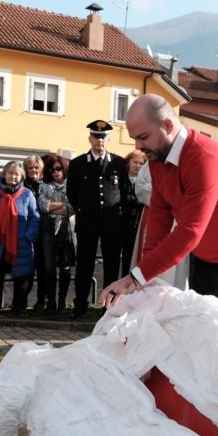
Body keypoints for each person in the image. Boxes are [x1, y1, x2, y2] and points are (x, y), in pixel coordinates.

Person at [100, 94, 218, 310]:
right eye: (134, 138)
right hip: (203, 256)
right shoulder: (158, 159)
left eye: (143, 137)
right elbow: (158, 221)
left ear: (168, 125)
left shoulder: (203, 158)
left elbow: (190, 230)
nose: (138, 146)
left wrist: (134, 278)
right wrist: (145, 277)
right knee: (197, 324)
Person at [66, 119, 129, 318]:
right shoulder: (77, 164)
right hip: (87, 223)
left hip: (112, 224)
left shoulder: (119, 163)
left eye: (103, 137)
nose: (99, 141)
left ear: (108, 139)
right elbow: (72, 193)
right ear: (90, 139)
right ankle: (80, 306)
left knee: (111, 267)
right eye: (96, 137)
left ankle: (107, 307)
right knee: (84, 266)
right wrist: (85, 210)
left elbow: (125, 192)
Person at [0, 161, 39, 314]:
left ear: (21, 177)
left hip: (20, 243)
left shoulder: (27, 194)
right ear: (4, 174)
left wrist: (28, 236)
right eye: (10, 173)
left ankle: (18, 308)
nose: (13, 176)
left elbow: (35, 217)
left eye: (17, 174)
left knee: (21, 277)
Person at [37, 154, 74, 313]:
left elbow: (72, 206)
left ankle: (62, 301)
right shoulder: (44, 185)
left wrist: (55, 206)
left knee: (65, 266)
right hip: (48, 227)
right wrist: (62, 206)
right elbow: (43, 206)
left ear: (64, 168)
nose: (55, 172)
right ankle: (50, 301)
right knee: (49, 266)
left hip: (66, 227)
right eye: (51, 170)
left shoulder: (71, 185)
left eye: (58, 169)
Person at [22, 155, 47, 310]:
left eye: (36, 168)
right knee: (27, 269)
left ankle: (41, 300)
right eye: (30, 168)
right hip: (27, 232)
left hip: (44, 233)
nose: (33, 171)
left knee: (43, 268)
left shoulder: (46, 185)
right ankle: (22, 300)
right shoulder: (22, 186)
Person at [120, 149, 145, 277]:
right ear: (128, 163)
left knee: (130, 258)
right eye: (135, 162)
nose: (138, 166)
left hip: (135, 223)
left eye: (141, 163)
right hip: (119, 223)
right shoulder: (121, 179)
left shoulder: (144, 181)